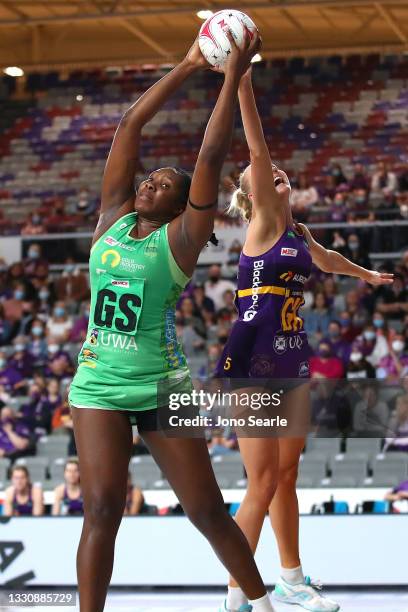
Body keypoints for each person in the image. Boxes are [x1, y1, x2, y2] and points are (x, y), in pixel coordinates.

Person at [68, 33, 276, 612]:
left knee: (206, 511)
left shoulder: (181, 242)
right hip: (97, 384)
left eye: (163, 183)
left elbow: (209, 158)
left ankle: (260, 604)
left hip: (165, 387)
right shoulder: (112, 217)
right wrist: (189, 63)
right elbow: (130, 125)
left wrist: (232, 76)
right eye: (148, 177)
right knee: (102, 508)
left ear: (185, 206)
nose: (148, 181)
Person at [214, 66, 394, 612]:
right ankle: (237, 592)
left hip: (291, 360)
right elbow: (257, 144)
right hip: (252, 363)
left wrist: (365, 275)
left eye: (274, 171)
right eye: (262, 174)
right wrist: (242, 84)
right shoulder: (264, 220)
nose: (273, 172)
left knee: (286, 476)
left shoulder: (295, 233)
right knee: (262, 483)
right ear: (254, 193)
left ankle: (291, 580)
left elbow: (326, 259)